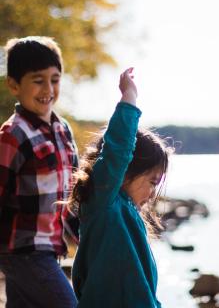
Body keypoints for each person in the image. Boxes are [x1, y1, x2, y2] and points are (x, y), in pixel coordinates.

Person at [71, 68, 171, 307]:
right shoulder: (104, 203)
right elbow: (119, 148)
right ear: (126, 170)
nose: (152, 194)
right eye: (152, 182)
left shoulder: (126, 214)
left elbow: (143, 285)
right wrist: (130, 97)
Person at [0, 36, 79, 307]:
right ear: (14, 84)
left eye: (54, 79)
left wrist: (85, 236)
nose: (48, 88)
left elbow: (74, 191)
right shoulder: (13, 134)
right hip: (22, 250)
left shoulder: (63, 129)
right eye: (37, 80)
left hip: (51, 247)